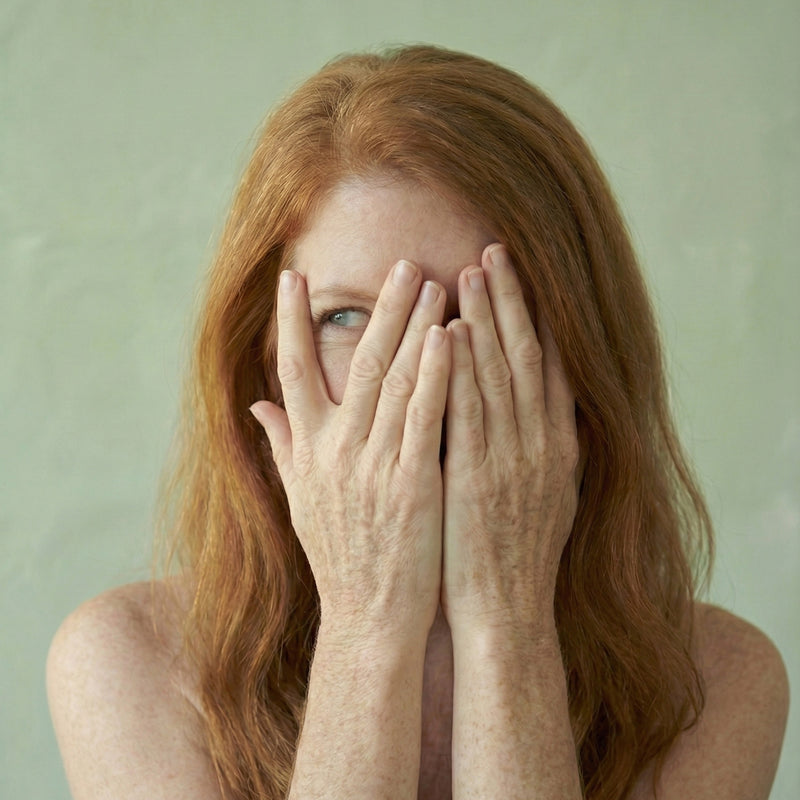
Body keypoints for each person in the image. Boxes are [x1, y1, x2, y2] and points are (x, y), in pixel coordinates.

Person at [46, 45, 789, 800]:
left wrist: (508, 617)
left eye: (485, 315)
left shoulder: (718, 680)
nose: (417, 377)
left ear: (582, 354)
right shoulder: (127, 663)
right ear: (265, 358)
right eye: (344, 316)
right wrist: (367, 625)